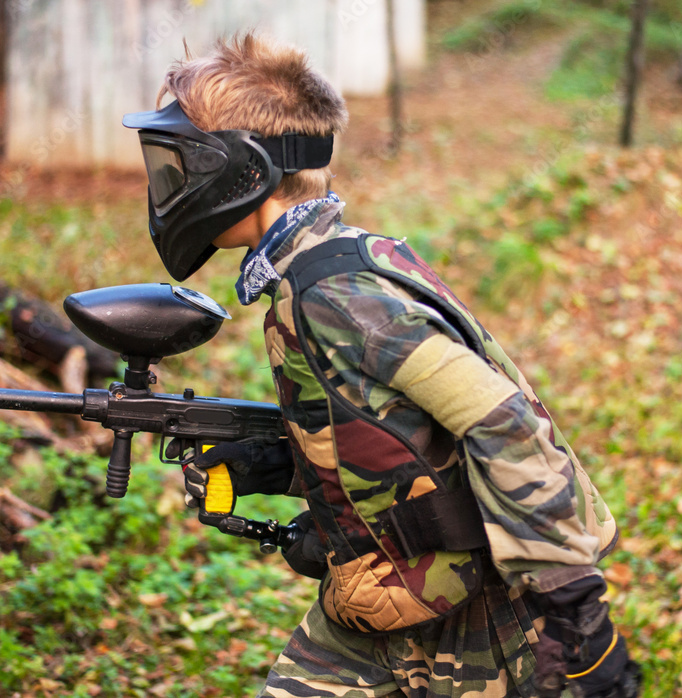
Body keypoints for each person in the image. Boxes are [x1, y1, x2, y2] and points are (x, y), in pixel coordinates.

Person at [122, 33, 642, 698]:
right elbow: (396, 433)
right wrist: (282, 465)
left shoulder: (332, 294)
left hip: (475, 622)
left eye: (182, 164)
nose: (170, 185)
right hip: (386, 596)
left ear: (241, 170)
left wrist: (577, 622)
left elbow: (504, 423)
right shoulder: (333, 262)